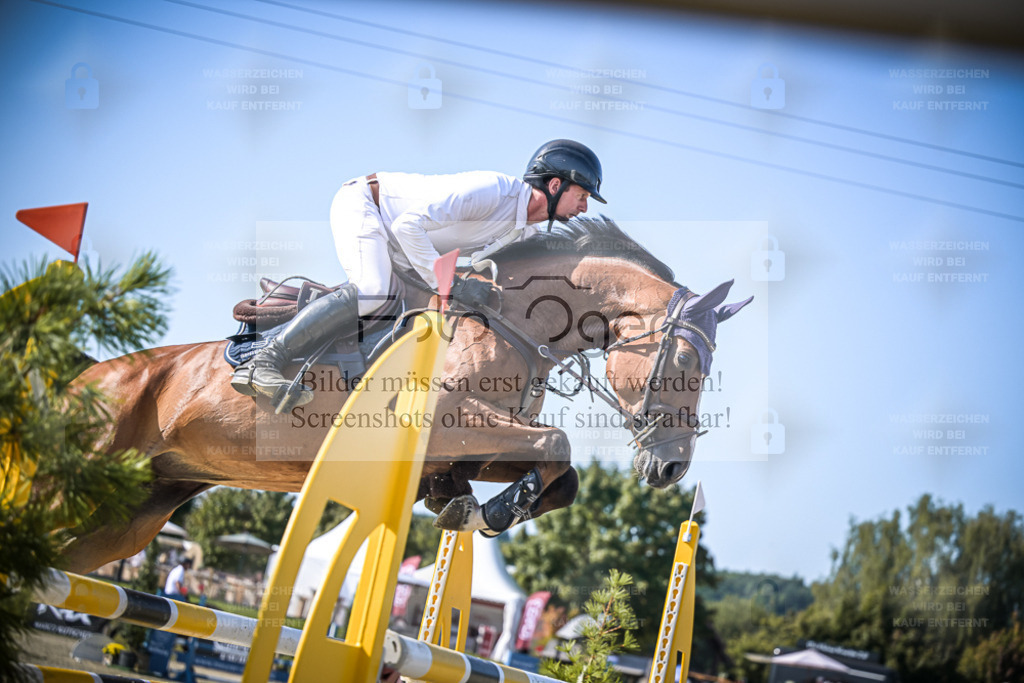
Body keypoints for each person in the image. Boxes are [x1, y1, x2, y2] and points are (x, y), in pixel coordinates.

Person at [231, 139, 606, 412]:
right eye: (582, 194)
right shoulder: (493, 192)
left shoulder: (527, 232)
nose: (585, 206)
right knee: (375, 293)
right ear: (555, 185)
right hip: (368, 207)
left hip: (405, 246)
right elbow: (410, 226)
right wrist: (452, 284)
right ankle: (265, 360)